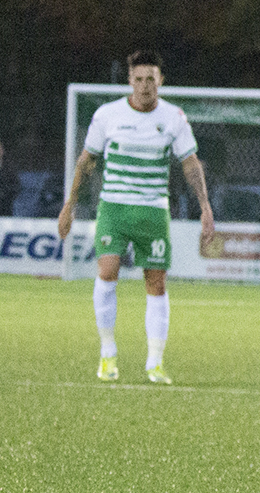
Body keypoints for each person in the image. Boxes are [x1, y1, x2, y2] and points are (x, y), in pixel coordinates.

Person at [57, 50, 216, 383]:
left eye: (151, 79)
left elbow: (190, 163)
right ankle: (107, 354)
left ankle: (155, 363)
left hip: (153, 210)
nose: (145, 86)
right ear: (130, 81)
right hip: (113, 207)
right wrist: (69, 204)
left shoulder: (174, 117)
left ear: (161, 80)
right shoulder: (107, 115)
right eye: (139, 79)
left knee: (156, 283)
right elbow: (87, 162)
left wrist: (205, 206)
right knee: (107, 270)